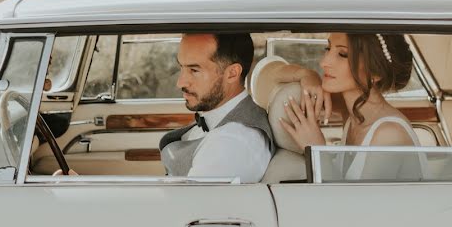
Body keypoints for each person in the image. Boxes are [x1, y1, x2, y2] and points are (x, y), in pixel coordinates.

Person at [276, 32, 423, 179]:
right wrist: (307, 75)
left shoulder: (389, 135)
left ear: (375, 72)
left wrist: (315, 148)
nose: (324, 62)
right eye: (328, 49)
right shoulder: (351, 110)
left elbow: (352, 202)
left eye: (343, 54)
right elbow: (271, 73)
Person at [158, 33, 274, 182]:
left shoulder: (231, 143)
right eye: (182, 67)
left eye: (194, 70)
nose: (180, 83)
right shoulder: (217, 117)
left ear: (232, 74)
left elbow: (187, 203)